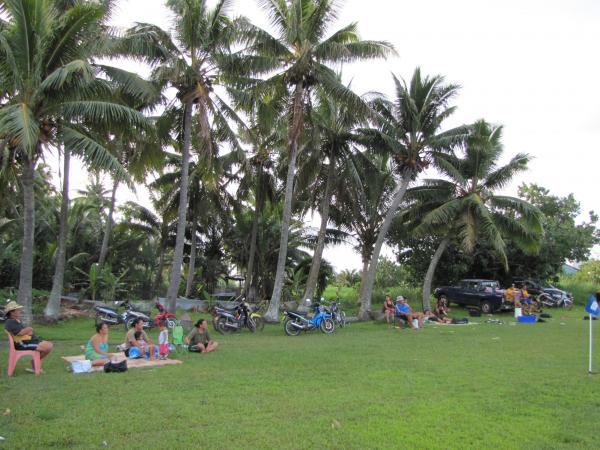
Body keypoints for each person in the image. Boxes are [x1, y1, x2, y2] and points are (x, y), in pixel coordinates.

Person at [4, 301, 53, 371]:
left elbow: (24, 332)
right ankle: (34, 363)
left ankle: (35, 362)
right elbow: (20, 333)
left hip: (27, 341)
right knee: (48, 346)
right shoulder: (10, 322)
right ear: (12, 312)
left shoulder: (15, 321)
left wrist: (28, 331)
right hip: (23, 344)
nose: (20, 311)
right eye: (18, 310)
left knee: (49, 345)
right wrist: (29, 328)